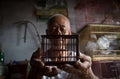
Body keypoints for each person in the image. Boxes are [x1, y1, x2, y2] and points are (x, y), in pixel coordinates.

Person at [27, 14, 99, 79]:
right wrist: (35, 72)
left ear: (69, 34)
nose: (58, 32)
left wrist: (87, 73)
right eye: (53, 29)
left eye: (62, 29)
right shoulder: (38, 62)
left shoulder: (79, 61)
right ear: (47, 33)